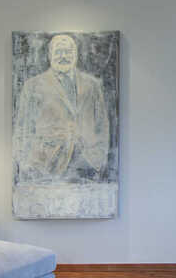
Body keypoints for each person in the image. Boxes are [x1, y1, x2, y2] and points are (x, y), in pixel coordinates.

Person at [13, 34, 110, 183]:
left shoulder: (92, 85)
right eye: (58, 52)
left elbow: (102, 125)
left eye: (68, 51)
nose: (63, 56)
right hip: (44, 167)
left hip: (86, 167)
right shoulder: (32, 86)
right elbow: (22, 127)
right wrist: (25, 164)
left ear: (76, 55)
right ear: (50, 54)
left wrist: (97, 158)